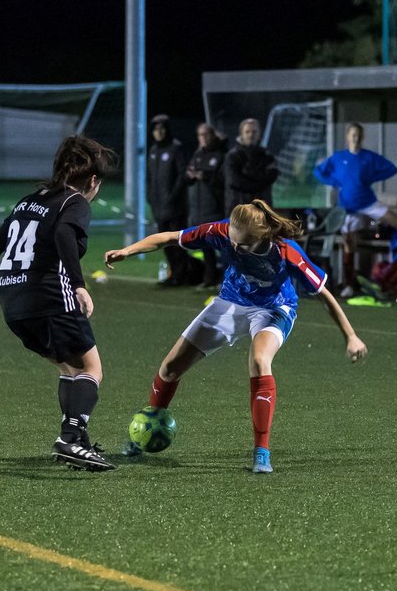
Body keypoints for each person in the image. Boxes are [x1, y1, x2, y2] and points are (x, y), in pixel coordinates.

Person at [103, 199, 368, 474]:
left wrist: (351, 336)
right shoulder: (222, 232)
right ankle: (146, 428)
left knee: (259, 361)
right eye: (232, 240)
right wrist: (127, 251)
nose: (234, 247)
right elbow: (170, 238)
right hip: (229, 303)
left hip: (274, 308)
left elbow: (324, 294)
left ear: (261, 237)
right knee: (170, 368)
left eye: (242, 245)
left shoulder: (287, 252)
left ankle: (261, 452)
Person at [0, 135, 118, 472]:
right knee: (91, 368)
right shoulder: (75, 202)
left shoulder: (28, 201)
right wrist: (79, 286)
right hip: (49, 296)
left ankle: (76, 442)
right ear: (92, 181)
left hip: (13, 303)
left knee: (70, 368)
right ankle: (70, 437)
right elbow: (65, 235)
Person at [313, 123, 397, 296]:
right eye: (352, 135)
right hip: (348, 207)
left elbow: (391, 168)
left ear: (362, 138)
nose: (355, 138)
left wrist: (371, 178)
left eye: (358, 135)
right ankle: (350, 283)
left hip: (368, 202)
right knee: (349, 241)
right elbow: (318, 172)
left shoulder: (368, 157)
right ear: (348, 137)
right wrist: (334, 181)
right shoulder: (339, 157)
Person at [147, 114, 194, 286]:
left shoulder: (176, 148)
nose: (158, 132)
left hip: (176, 207)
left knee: (176, 242)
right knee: (163, 243)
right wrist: (149, 196)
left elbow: (182, 176)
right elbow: (149, 177)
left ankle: (181, 275)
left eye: (162, 128)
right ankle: (174, 273)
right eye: (155, 129)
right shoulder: (153, 151)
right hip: (159, 207)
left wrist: (172, 197)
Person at [185, 123, 228, 288]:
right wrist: (190, 176)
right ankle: (209, 278)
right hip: (198, 210)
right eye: (200, 135)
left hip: (215, 209)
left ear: (213, 136)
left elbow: (223, 180)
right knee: (205, 246)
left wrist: (205, 176)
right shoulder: (197, 155)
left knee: (223, 247)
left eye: (206, 135)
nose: (203, 138)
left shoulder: (221, 155)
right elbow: (187, 176)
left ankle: (226, 280)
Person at [223, 118, 279, 213]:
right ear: (241, 134)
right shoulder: (232, 157)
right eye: (247, 131)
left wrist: (247, 175)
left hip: (262, 212)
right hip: (239, 211)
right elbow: (234, 181)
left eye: (254, 131)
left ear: (259, 133)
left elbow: (272, 176)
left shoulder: (267, 157)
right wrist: (260, 181)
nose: (251, 134)